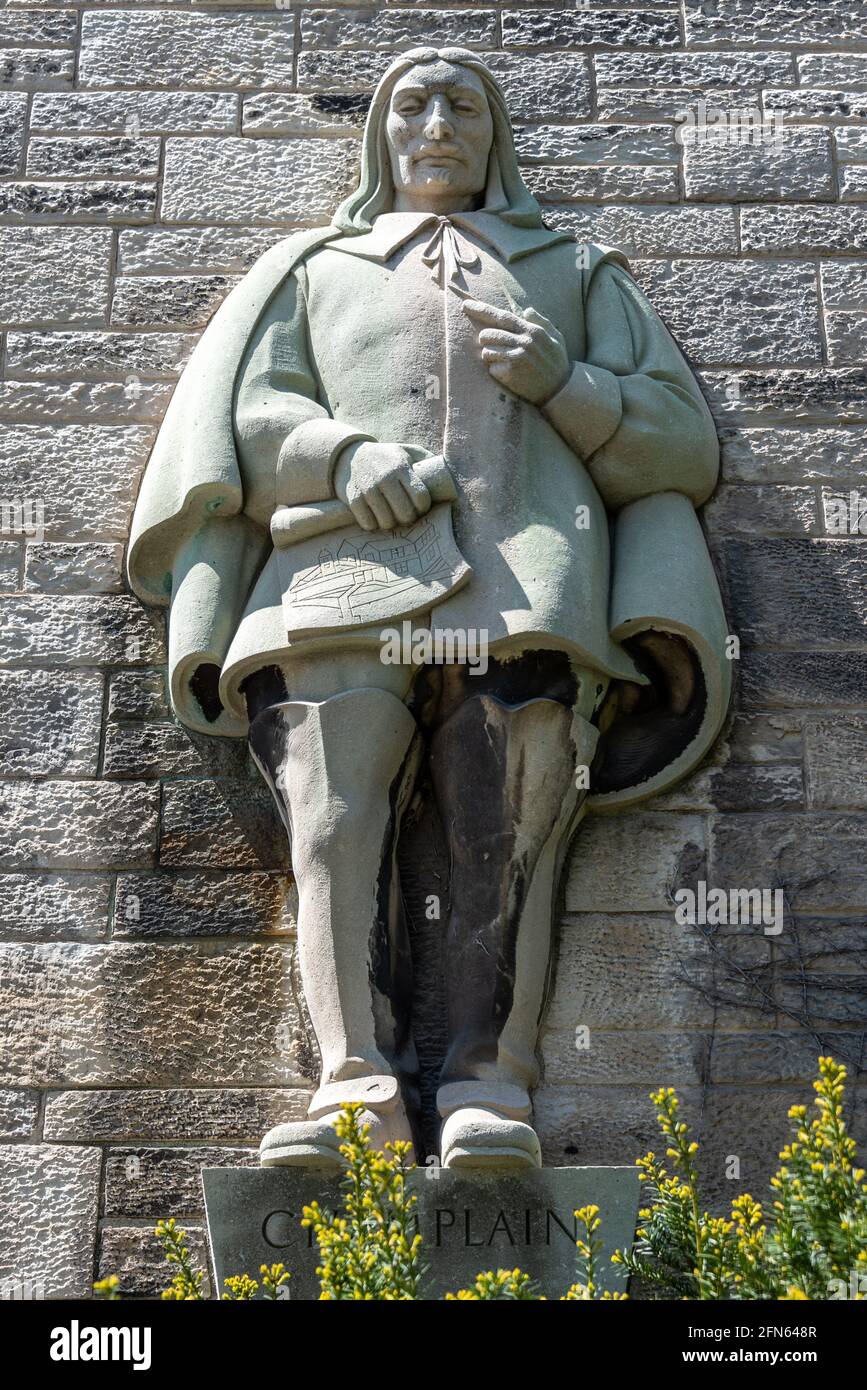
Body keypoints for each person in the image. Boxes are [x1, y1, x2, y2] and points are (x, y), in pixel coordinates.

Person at [128, 47, 730, 1170]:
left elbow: (680, 447)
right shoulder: (313, 269)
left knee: (507, 825)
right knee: (331, 818)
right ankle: (353, 1080)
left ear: (493, 133)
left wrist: (568, 385)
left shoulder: (574, 271)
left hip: (529, 580)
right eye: (413, 104)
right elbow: (245, 415)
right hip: (336, 579)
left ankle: (485, 1081)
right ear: (382, 133)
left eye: (462, 104)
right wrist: (337, 452)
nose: (437, 122)